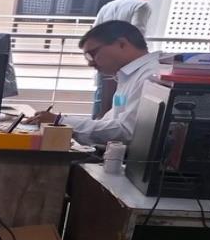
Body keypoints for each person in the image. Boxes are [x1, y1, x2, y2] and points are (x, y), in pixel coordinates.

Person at [26, 20, 162, 146]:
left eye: (92, 54)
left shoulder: (151, 76)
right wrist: (61, 122)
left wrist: (61, 122)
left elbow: (126, 132)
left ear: (121, 44)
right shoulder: (127, 77)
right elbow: (110, 123)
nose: (90, 63)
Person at [92, 0, 157, 116]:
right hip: (125, 62)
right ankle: (114, 122)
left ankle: (96, 123)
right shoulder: (142, 6)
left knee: (102, 96)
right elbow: (137, 34)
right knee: (121, 97)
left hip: (104, 59)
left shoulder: (107, 6)